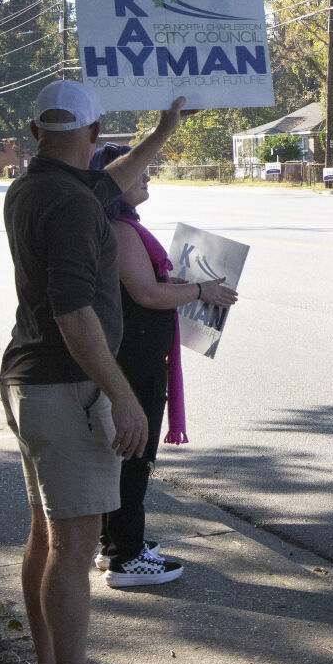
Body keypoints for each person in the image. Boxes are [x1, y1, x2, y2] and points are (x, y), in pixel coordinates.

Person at [0, 81, 186, 664]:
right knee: (75, 547)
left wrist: (161, 133)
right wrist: (123, 396)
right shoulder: (76, 206)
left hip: (30, 380)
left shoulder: (33, 187)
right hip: (68, 387)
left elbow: (108, 184)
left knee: (48, 537)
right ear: (95, 134)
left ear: (34, 134)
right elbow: (75, 311)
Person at [86, 142, 238, 588]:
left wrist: (181, 284)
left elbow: (146, 282)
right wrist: (199, 292)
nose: (147, 175)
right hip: (134, 358)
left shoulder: (119, 224)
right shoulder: (118, 227)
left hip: (133, 351)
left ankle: (113, 543)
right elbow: (147, 294)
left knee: (126, 454)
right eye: (138, 170)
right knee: (136, 455)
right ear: (114, 178)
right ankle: (125, 557)